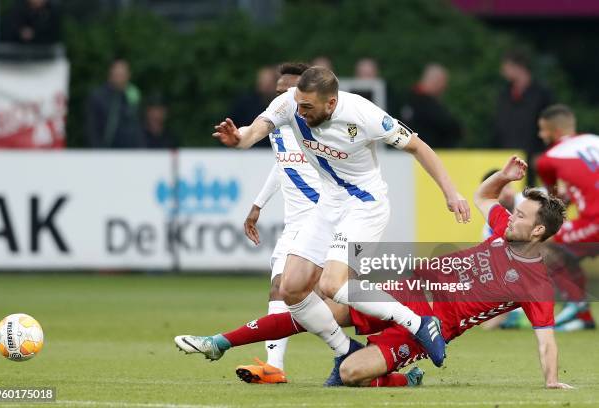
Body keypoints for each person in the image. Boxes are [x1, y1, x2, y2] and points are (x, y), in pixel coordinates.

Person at [178, 67, 470, 386]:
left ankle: (418, 323)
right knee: (291, 289)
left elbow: (418, 147)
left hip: (364, 205)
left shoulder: (363, 113)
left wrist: (450, 192)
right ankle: (344, 350)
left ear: (331, 104)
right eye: (298, 105)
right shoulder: (291, 102)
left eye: (308, 108)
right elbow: (255, 130)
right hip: (328, 204)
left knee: (332, 285)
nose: (300, 113)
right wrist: (239, 139)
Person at [175, 156, 572, 389]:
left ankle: (402, 377)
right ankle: (220, 341)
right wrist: (504, 176)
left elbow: (546, 340)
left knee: (350, 374)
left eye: (520, 215)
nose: (509, 216)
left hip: (427, 325)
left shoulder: (537, 283)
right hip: (404, 289)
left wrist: (552, 381)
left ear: (537, 231)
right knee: (313, 310)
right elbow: (485, 195)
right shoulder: (504, 231)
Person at [237, 62, 320, 384]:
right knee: (279, 289)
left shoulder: (320, 127)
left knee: (341, 296)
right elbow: (282, 165)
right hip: (297, 224)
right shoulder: (277, 125)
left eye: (289, 91)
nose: (282, 97)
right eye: (278, 92)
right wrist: (258, 205)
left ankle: (403, 336)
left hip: (328, 218)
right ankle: (274, 367)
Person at [535, 104, 598, 331]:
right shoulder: (594, 140)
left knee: (543, 244)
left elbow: (553, 204)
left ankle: (578, 311)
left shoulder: (548, 159)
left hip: (596, 221)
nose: (541, 135)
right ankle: (581, 313)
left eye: (542, 130)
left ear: (553, 131)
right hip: (592, 219)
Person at [493, 49, 553, 185]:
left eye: (506, 67)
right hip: (508, 154)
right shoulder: (504, 94)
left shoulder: (541, 93)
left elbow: (548, 123)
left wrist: (543, 152)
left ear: (519, 67)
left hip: (533, 155)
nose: (503, 72)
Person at [84, 59, 144, 148]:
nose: (119, 77)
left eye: (122, 74)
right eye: (117, 74)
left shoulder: (134, 94)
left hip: (130, 152)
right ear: (110, 75)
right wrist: (97, 150)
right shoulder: (98, 96)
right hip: (105, 152)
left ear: (128, 75)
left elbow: (138, 125)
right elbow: (91, 128)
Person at [399, 64, 462, 148]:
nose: (445, 87)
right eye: (443, 82)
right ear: (436, 81)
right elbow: (449, 126)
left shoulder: (405, 98)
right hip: (430, 153)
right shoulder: (427, 103)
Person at [228, 66, 278, 148]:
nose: (266, 86)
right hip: (247, 151)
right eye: (263, 82)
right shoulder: (245, 103)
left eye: (269, 83)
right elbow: (233, 127)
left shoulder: (281, 104)